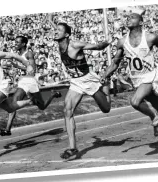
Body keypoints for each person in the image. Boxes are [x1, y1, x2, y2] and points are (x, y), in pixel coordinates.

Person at [104, 8, 158, 147]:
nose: (128, 19)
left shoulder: (150, 37)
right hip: (137, 79)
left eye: (132, 17)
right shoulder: (122, 42)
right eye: (127, 17)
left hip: (150, 76)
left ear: (141, 21)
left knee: (135, 101)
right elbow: (115, 63)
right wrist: (105, 75)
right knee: (157, 104)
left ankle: (154, 118)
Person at [47, 14, 112, 159]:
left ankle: (106, 87)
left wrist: (107, 42)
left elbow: (97, 47)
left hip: (89, 80)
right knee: (67, 110)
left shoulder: (74, 45)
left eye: (58, 30)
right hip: (75, 82)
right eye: (55, 30)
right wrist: (51, 19)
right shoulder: (60, 40)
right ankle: (72, 147)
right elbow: (55, 28)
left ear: (67, 35)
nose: (55, 31)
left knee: (106, 109)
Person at [0, 35, 62, 136]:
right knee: (13, 104)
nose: (15, 44)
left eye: (17, 42)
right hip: (22, 81)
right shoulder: (18, 54)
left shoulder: (28, 53)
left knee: (42, 107)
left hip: (31, 81)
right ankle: (8, 129)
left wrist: (17, 66)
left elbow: (32, 69)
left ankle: (53, 95)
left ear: (23, 43)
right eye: (15, 42)